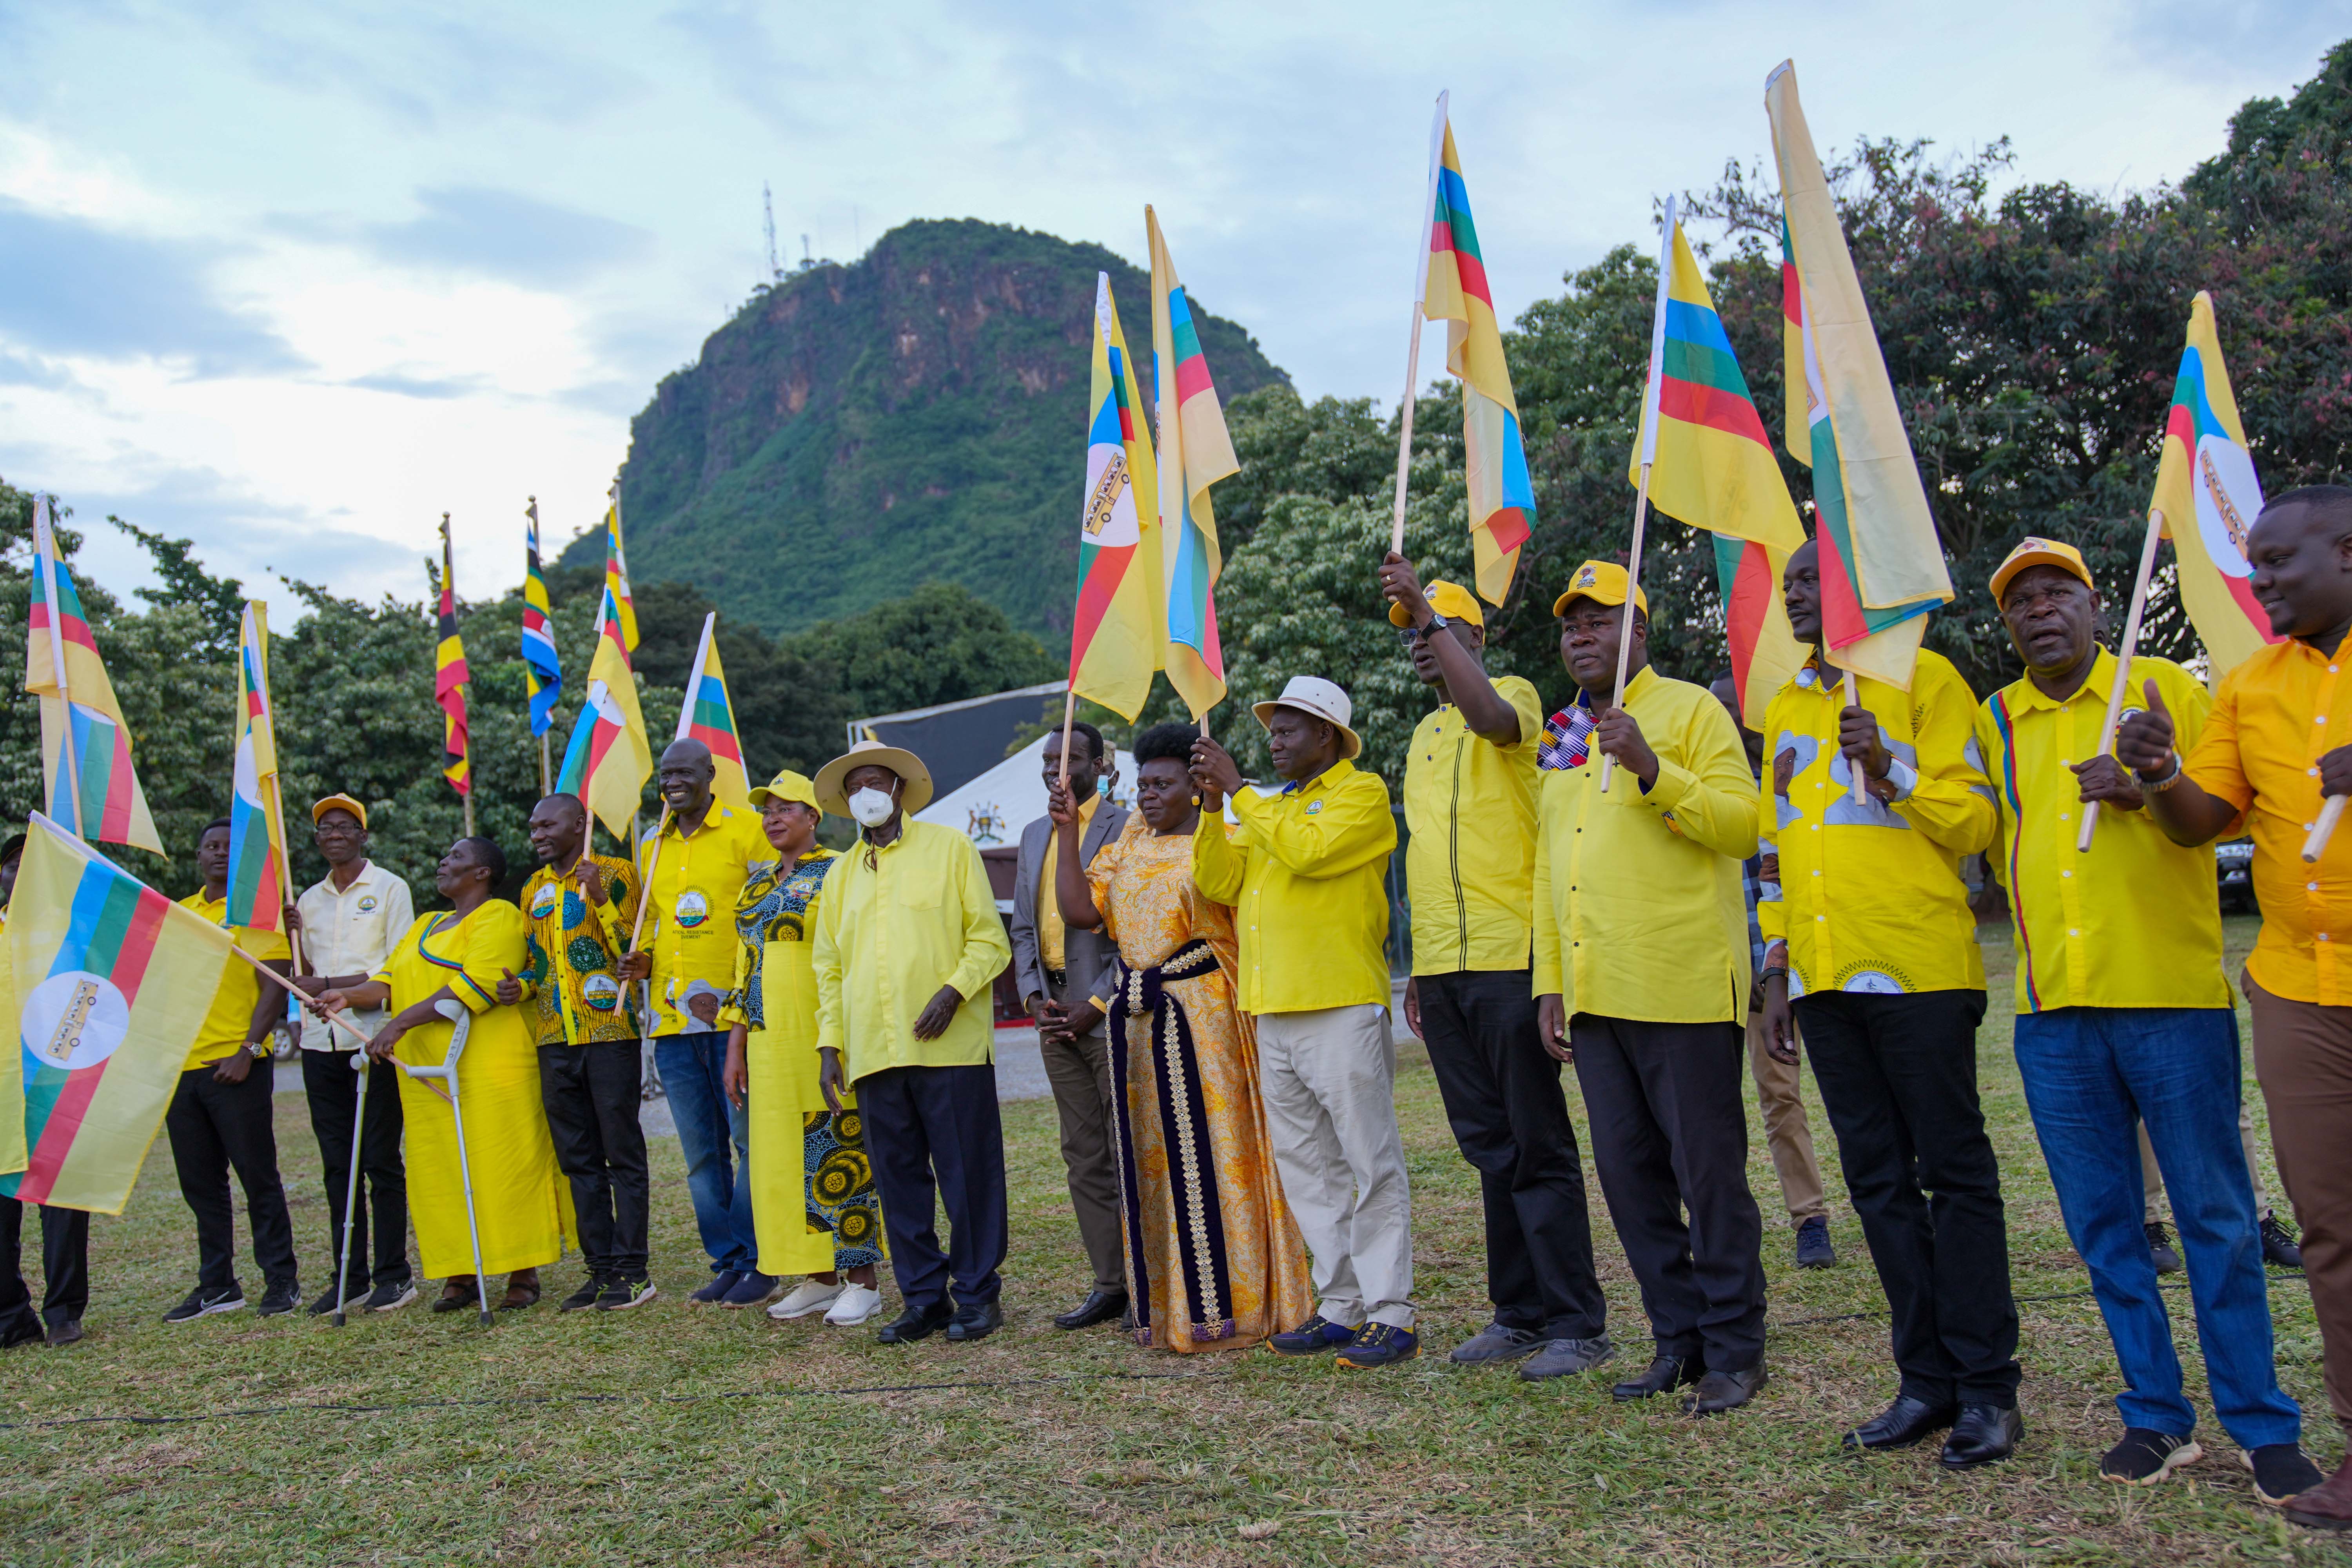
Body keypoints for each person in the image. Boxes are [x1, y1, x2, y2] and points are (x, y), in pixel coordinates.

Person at [1977, 536, 2321, 1503]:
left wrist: (2153, 782)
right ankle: (2156, 1416)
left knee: (2215, 1218)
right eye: (2020, 602)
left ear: (2095, 606)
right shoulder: (1995, 716)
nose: (2038, 611)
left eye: (2057, 593)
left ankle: (2261, 1423)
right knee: (2104, 1226)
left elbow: (2235, 815)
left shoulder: (2164, 683)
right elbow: (1974, 830)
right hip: (2054, 1011)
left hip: (2170, 1000)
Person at [2116, 485, 2352, 1528]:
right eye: (2253, 565)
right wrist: (2162, 773)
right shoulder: (2251, 684)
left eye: (2279, 565)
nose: (2261, 583)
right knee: (2331, 1230)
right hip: (2300, 989)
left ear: (2346, 551)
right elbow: (2199, 823)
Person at [1759, 537, 2021, 1466]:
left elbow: (1978, 821)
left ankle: (1989, 1386)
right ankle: (1925, 1380)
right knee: (1875, 1183)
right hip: (1826, 981)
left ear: (1853, 591)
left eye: (1807, 583)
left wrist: (1893, 768)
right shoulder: (1786, 706)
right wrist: (1780, 960)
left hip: (1918, 970)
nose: (1792, 598)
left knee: (1954, 1176)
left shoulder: (1927, 679)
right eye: (1788, 585)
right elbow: (1778, 843)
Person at [1532, 561, 1767, 1415]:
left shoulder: (1691, 712)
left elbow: (1743, 826)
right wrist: (1550, 981)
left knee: (1708, 1178)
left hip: (1681, 986)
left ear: (1641, 631)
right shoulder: (1561, 735)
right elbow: (1547, 870)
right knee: (1631, 1183)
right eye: (1572, 624)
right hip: (1595, 996)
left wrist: (1652, 768)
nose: (1581, 635)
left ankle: (1737, 1347)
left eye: (1599, 620)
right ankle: (1679, 1337)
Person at [1377, 557, 1611, 1379]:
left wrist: (1431, 619)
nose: (1420, 646)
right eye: (1409, 633)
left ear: (1475, 638)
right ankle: (1518, 1312)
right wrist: (1421, 978)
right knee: (1489, 1148)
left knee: (1537, 1143)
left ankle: (1578, 1319)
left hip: (1512, 964)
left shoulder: (1509, 698)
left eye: (1436, 629)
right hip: (1443, 977)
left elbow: (1492, 720)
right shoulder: (1421, 735)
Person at [1048, 720, 1315, 1352]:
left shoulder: (1226, 836)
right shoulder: (1132, 845)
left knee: (1220, 1152)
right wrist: (1067, 834)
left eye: (1163, 784)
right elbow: (1081, 913)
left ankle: (1241, 1305)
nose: (1147, 795)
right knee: (1153, 1158)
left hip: (1206, 1016)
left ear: (1195, 788)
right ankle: (1173, 1307)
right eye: (1142, 784)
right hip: (1140, 1022)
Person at [1189, 676, 1415, 1369]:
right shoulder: (1268, 806)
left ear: (1327, 735)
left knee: (1368, 1162)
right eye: (1271, 732)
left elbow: (1310, 852)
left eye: (1288, 730)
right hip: (1273, 1006)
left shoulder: (1363, 795)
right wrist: (1212, 809)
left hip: (1340, 1002)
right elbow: (1218, 885)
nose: (1274, 742)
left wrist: (1244, 794)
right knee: (1308, 1168)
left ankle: (1392, 1313)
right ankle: (1341, 1306)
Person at [811, 739, 1013, 1344]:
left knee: (967, 1175)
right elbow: (830, 969)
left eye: (875, 781)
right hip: (874, 1053)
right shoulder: (839, 875)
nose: (865, 793)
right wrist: (830, 1048)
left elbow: (989, 941)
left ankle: (978, 1294)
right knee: (898, 1181)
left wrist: (952, 993)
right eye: (854, 786)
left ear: (900, 789)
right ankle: (924, 1298)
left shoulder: (949, 848)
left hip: (948, 1048)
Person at [320, 838, 575, 1312]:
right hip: (423, 1071)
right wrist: (347, 998)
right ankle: (461, 1270)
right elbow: (388, 980)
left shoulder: (499, 916)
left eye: (456, 857)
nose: (443, 862)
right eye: (445, 856)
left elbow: (471, 984)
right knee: (440, 1172)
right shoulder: (425, 924)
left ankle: (523, 1269)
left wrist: (396, 1024)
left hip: (491, 1065)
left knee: (504, 1166)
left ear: (482, 873)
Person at [720, 769, 886, 1329]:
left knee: (835, 1146)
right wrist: (736, 1045)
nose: (773, 819)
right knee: (780, 1160)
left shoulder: (840, 870)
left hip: (818, 1034)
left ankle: (862, 1280)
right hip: (767, 1044)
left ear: (814, 816)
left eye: (785, 809)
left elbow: (853, 954)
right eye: (766, 811)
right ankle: (816, 1278)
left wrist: (835, 1039)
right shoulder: (756, 885)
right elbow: (745, 968)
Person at [617, 738, 772, 1307]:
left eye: (684, 771)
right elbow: (652, 923)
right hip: (670, 1022)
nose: (673, 780)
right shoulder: (651, 844)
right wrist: (643, 960)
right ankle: (727, 1260)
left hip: (734, 1017)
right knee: (701, 1154)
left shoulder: (747, 830)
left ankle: (761, 1259)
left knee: (747, 1141)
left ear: (711, 775)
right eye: (666, 773)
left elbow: (764, 913)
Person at [1706, 673, 1838, 1272]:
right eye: (1721, 712)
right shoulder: (1709, 785)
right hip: (1749, 978)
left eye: (1738, 710)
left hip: (1815, 960)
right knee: (1779, 1097)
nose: (1732, 721)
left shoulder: (1788, 776)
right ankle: (1809, 1217)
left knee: (1851, 1091)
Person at [503, 793, 648, 1313]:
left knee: (621, 1154)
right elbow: (536, 964)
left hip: (608, 1035)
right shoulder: (532, 889)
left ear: (580, 825)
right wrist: (517, 988)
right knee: (578, 1162)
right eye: (533, 825)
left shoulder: (615, 872)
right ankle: (601, 1271)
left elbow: (632, 952)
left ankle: (634, 1271)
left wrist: (599, 898)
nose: (537, 832)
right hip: (553, 1040)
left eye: (548, 824)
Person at [1009, 721, 1131, 1330]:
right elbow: (1024, 928)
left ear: (1097, 763)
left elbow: (1138, 932)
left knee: (1131, 1147)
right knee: (1083, 1155)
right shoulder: (1034, 836)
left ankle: (1153, 1278)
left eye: (1070, 759)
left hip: (1109, 1012)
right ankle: (1111, 1284)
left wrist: (1101, 1002)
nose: (1056, 770)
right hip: (1055, 1016)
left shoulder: (1128, 827)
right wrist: (1033, 997)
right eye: (1048, 760)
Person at [162, 818, 300, 1323]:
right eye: (210, 846)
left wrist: (248, 1048)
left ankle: (282, 1281)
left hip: (238, 1064)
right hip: (186, 1068)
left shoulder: (258, 914)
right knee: (201, 1185)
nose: (220, 853)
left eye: (229, 847)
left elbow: (275, 984)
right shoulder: (179, 914)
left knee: (257, 1177)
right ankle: (218, 1285)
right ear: (198, 856)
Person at [285, 794, 417, 1315]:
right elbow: (304, 973)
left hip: (373, 1040)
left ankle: (393, 1275)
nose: (334, 834)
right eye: (325, 829)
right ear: (317, 842)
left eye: (345, 826)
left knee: (381, 1161)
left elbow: (396, 972)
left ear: (363, 835)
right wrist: (297, 943)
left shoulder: (389, 889)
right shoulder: (308, 901)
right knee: (338, 1166)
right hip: (322, 1047)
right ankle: (350, 1276)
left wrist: (326, 983)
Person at [0, 834, 93, 1349]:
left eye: (33, 865)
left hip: (54, 1087)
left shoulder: (73, 934)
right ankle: (12, 1316)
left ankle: (64, 1311)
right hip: (1, 1091)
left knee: (61, 1205)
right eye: (13, 865)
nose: (21, 873)